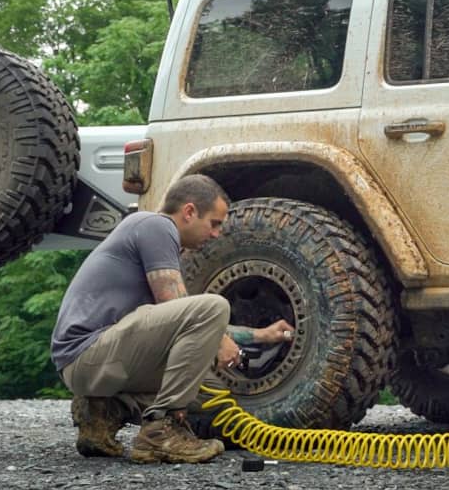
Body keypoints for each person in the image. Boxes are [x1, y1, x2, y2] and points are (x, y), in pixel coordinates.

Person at [50, 174, 294, 463]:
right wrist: (221, 342)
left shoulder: (155, 239)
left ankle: (102, 411)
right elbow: (186, 308)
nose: (217, 234)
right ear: (189, 212)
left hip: (95, 363)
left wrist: (260, 336)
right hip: (87, 354)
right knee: (213, 306)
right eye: (214, 223)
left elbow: (191, 326)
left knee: (207, 394)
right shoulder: (155, 225)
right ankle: (159, 434)